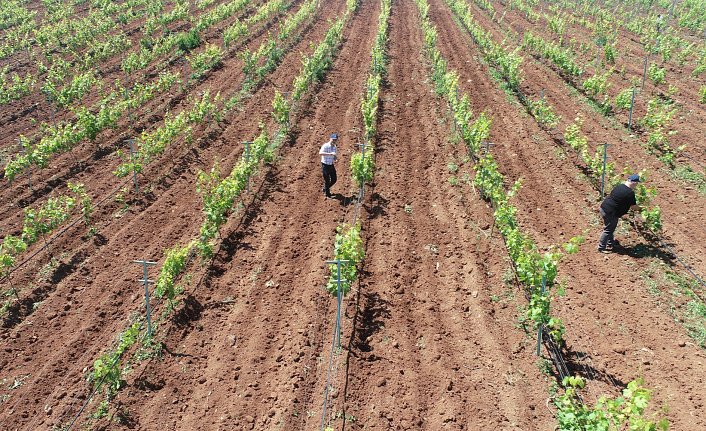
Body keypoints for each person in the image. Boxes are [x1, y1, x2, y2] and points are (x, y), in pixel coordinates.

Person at [597, 174, 641, 253]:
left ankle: (610, 243)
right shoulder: (630, 193)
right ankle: (601, 248)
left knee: (611, 227)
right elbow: (634, 207)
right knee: (608, 230)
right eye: (637, 183)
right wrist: (641, 209)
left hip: (604, 208)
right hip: (611, 212)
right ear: (634, 183)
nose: (636, 185)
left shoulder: (619, 186)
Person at [319, 133, 338, 198]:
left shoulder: (335, 147)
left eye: (335, 140)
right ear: (330, 139)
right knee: (327, 180)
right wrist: (330, 154)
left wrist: (335, 158)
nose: (334, 141)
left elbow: (334, 155)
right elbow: (320, 153)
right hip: (325, 165)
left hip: (331, 165)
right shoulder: (325, 146)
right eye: (333, 139)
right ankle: (328, 194)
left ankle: (325, 188)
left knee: (334, 179)